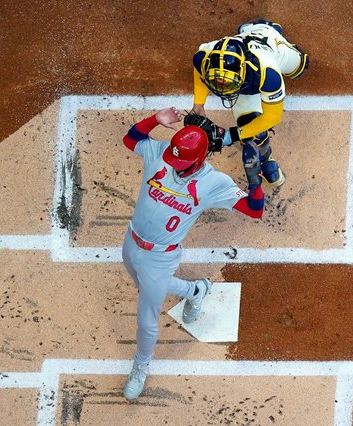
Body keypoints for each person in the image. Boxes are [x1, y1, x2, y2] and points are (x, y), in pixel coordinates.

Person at [121, 107, 266, 400]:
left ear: (199, 159)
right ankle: (195, 290)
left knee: (147, 318)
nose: (173, 164)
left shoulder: (214, 183)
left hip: (161, 257)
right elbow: (130, 140)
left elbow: (255, 209)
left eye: (180, 161)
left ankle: (140, 366)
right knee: (149, 288)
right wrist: (155, 120)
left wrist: (255, 181)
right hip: (131, 241)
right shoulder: (162, 154)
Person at [191, 18, 309, 188]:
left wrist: (231, 135)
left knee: (301, 66)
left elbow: (272, 118)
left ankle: (263, 28)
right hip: (245, 83)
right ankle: (267, 158)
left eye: (226, 83)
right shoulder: (204, 56)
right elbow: (199, 70)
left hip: (271, 49)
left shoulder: (268, 75)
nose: (222, 88)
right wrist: (198, 104)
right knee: (252, 129)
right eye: (219, 82)